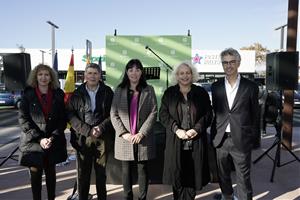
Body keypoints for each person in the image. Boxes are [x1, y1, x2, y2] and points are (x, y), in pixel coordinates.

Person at [159, 61, 212, 200]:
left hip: (195, 142)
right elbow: (163, 115)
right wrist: (176, 130)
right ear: (177, 76)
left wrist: (197, 129)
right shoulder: (169, 93)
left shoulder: (200, 92)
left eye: (187, 73)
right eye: (181, 73)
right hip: (176, 142)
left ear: (192, 74)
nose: (185, 76)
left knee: (192, 177)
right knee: (177, 177)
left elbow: (208, 114)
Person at [211, 48, 259, 200]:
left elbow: (255, 115)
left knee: (243, 178)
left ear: (238, 63)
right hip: (221, 139)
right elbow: (216, 112)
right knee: (223, 175)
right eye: (225, 62)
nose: (228, 65)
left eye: (232, 62)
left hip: (242, 139)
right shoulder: (216, 86)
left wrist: (254, 139)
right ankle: (228, 197)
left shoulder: (251, 87)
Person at [18, 64, 67, 200]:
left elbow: (62, 119)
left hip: (53, 143)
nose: (43, 77)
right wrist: (40, 139)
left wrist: (52, 137)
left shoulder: (58, 94)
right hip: (33, 143)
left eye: (46, 74)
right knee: (35, 180)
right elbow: (23, 120)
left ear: (51, 77)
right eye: (40, 74)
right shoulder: (27, 95)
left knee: (51, 177)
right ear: (35, 77)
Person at [110, 59, 157, 200]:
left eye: (137, 70)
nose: (134, 73)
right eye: (131, 70)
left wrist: (142, 133)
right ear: (126, 72)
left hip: (143, 137)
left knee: (142, 169)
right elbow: (113, 113)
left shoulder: (149, 90)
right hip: (125, 138)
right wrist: (124, 134)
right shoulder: (119, 90)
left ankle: (142, 198)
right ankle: (127, 197)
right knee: (126, 170)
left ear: (141, 72)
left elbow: (154, 112)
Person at [67, 63, 114, 200]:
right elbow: (70, 114)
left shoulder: (107, 92)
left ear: (100, 75)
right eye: (90, 73)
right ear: (85, 75)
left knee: (101, 174)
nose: (92, 76)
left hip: (102, 137)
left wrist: (101, 127)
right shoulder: (77, 93)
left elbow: (113, 114)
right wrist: (88, 130)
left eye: (95, 73)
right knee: (83, 174)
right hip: (83, 138)